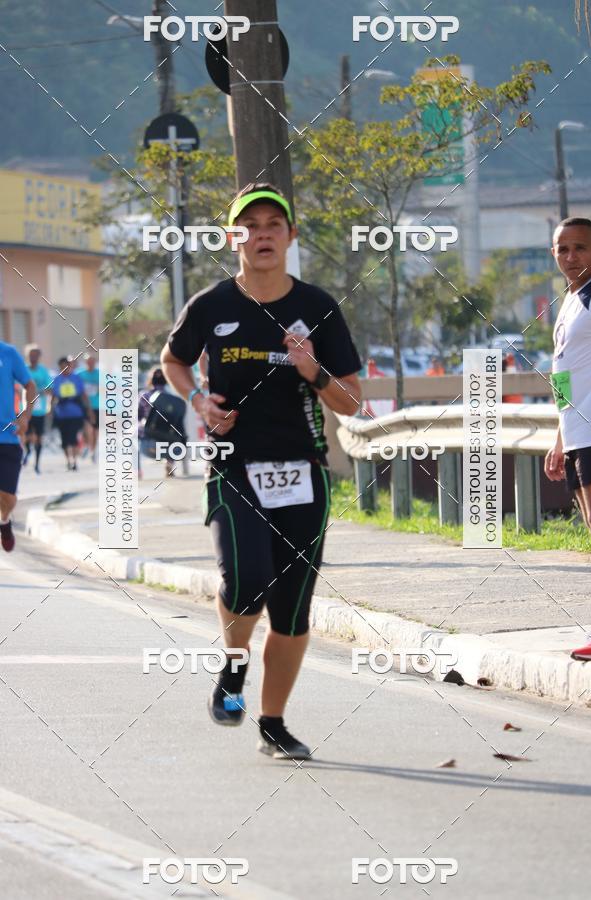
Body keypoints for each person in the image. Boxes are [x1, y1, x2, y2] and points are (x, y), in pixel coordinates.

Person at [160, 182, 362, 760]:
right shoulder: (210, 305)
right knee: (245, 582)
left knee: (293, 608)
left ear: (292, 237)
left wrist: (314, 373)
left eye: (275, 224)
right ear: (234, 238)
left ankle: (273, 723)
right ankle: (232, 664)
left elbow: (352, 400)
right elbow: (173, 360)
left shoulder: (318, 308)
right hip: (233, 466)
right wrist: (198, 400)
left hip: (305, 470)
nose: (263, 233)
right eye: (250, 226)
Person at [544, 217, 591, 661]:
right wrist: (560, 436)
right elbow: (563, 374)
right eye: (562, 249)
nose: (571, 257)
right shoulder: (569, 302)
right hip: (579, 432)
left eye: (579, 248)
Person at [0, 341, 35, 552]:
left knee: (8, 496)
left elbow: (30, 386)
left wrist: (25, 416)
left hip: (8, 436)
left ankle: (4, 520)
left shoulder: (8, 353)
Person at [137, 367, 186, 478]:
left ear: (150, 379)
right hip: (172, 449)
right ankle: (170, 463)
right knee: (172, 431)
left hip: (147, 445)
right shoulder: (173, 399)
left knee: (132, 430)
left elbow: (137, 417)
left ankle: (137, 471)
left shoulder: (144, 396)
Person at [51, 356, 89, 471]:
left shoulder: (76, 378)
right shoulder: (57, 379)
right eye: (62, 367)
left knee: (73, 438)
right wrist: (50, 409)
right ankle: (68, 460)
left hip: (75, 413)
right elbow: (53, 396)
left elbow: (83, 394)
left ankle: (75, 460)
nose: (65, 369)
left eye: (67, 366)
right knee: (65, 439)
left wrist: (88, 409)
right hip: (61, 413)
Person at [22, 344, 52, 474]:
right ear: (27, 356)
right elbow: (17, 386)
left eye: (35, 355)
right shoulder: (23, 369)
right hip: (25, 408)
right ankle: (28, 450)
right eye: (31, 355)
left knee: (39, 438)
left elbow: (50, 387)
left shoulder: (43, 371)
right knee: (27, 435)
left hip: (40, 409)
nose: (33, 357)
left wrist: (44, 391)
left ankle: (37, 464)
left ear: (39, 356)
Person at [76, 353, 100, 461]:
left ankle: (93, 450)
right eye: (88, 362)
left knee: (95, 430)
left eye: (92, 362)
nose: (90, 364)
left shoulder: (100, 374)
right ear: (85, 363)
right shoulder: (79, 374)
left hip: (97, 405)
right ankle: (86, 445)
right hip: (84, 405)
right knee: (87, 429)